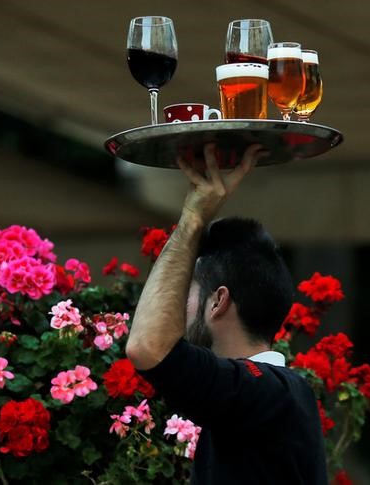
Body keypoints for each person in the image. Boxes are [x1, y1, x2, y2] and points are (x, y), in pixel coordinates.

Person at [126, 143, 328, 484]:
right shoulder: (264, 397)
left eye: (186, 290)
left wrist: (193, 219)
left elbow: (147, 346)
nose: (177, 307)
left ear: (218, 301)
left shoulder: (270, 393)